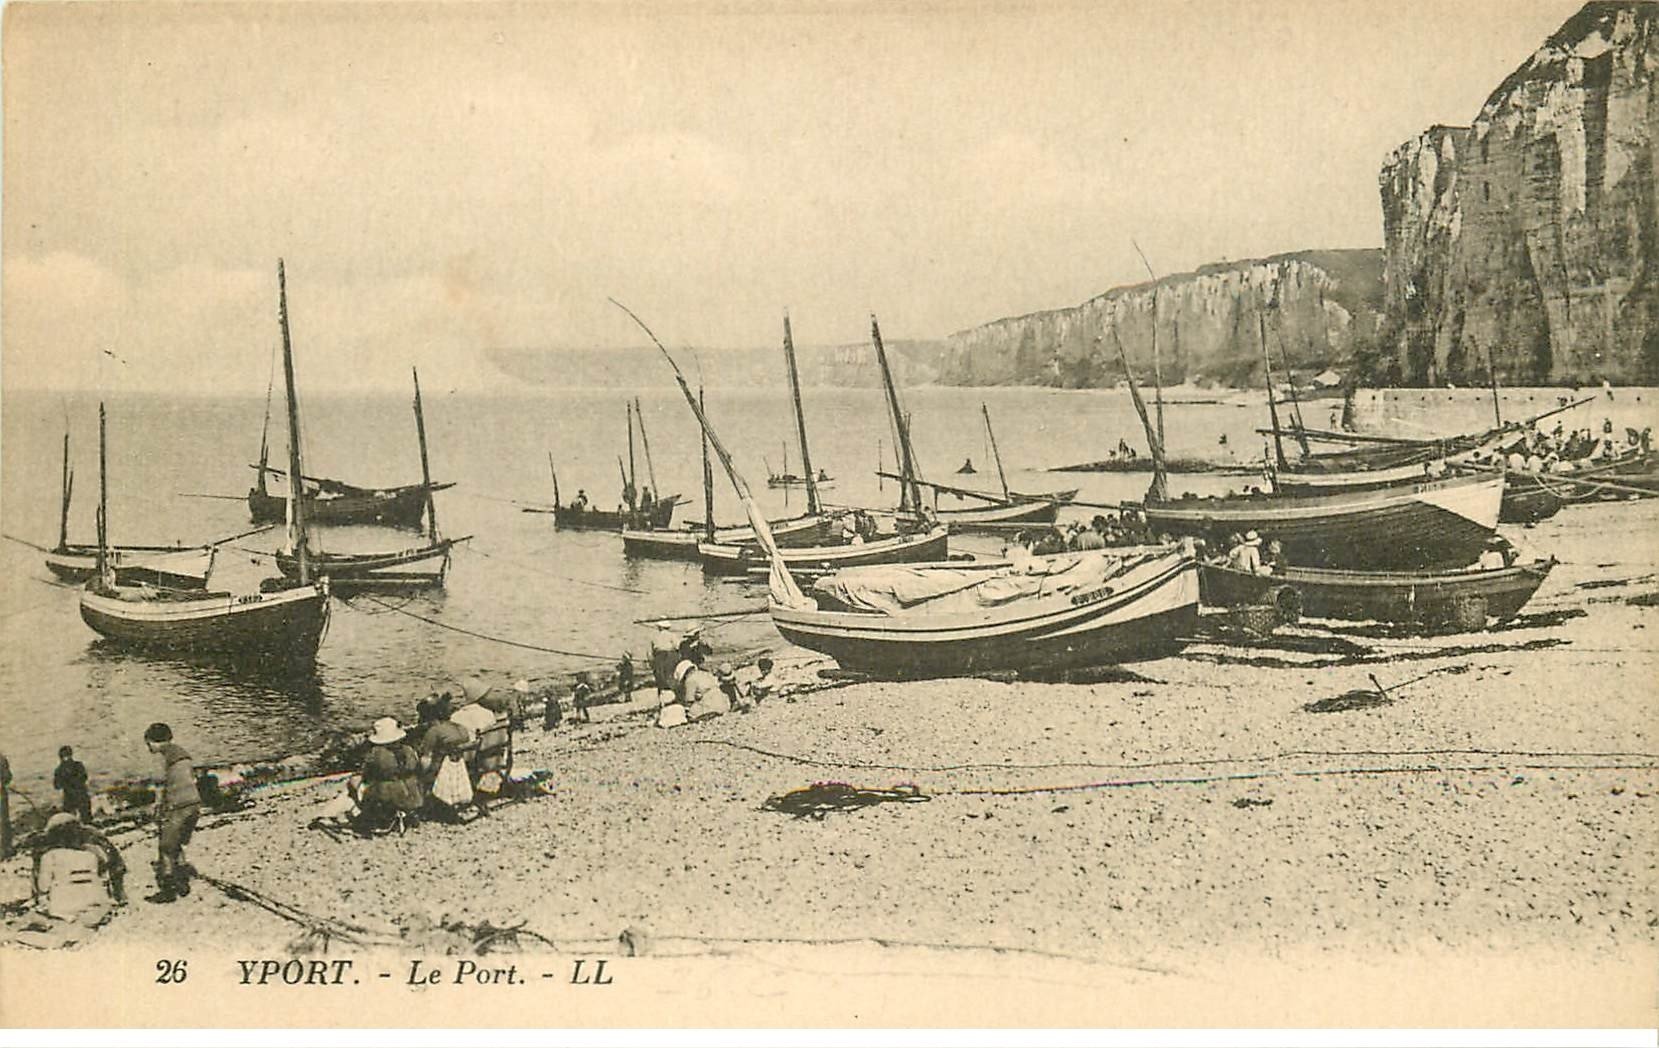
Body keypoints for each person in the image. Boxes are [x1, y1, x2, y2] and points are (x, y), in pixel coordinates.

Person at [142, 723, 200, 904]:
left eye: (149, 743)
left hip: (177, 805)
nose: (149, 748)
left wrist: (156, 806)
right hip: (194, 803)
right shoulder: (183, 753)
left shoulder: (162, 756)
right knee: (177, 843)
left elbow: (160, 785)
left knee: (165, 848)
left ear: (156, 742)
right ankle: (183, 884)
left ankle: (168, 891)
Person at [31, 813, 119, 926]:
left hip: (64, 905)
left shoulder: (50, 856)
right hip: (95, 902)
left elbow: (43, 886)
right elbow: (104, 877)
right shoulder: (92, 854)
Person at [417, 695, 482, 822]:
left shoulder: (434, 732)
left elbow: (426, 760)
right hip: (461, 770)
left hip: (442, 773)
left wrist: (418, 771)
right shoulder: (461, 728)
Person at [356, 718, 423, 834]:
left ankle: (382, 816)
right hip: (412, 792)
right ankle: (406, 813)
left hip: (388, 793)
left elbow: (367, 774)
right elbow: (417, 768)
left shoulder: (375, 753)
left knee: (358, 783)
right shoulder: (409, 750)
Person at [54, 746, 92, 824]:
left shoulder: (78, 765)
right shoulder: (59, 770)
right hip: (69, 796)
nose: (66, 758)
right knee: (68, 819)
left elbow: (83, 777)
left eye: (67, 755)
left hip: (80, 794)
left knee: (86, 817)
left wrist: (70, 783)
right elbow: (57, 785)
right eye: (64, 756)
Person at [649, 621, 681, 700]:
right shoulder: (672, 635)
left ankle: (662, 699)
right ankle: (673, 698)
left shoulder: (655, 637)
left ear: (660, 627)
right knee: (671, 678)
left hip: (659, 658)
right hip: (670, 657)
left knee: (660, 679)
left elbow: (650, 653)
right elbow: (677, 647)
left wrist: (652, 663)